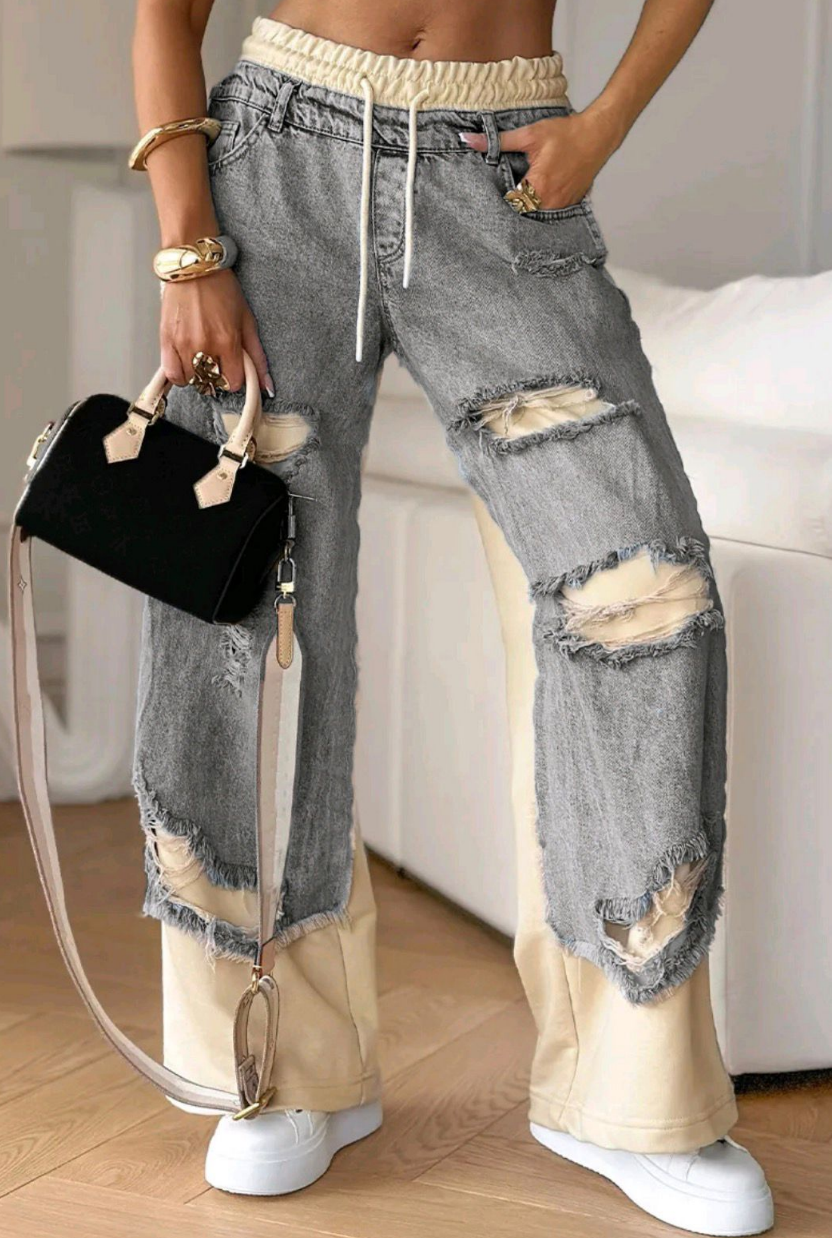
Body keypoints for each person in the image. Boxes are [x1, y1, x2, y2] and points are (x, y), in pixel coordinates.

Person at [130, 2, 774, 1232]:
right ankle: (283, 1060)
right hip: (281, 166)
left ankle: (629, 1092)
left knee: (640, 590)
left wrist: (604, 123)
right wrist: (188, 248)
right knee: (243, 606)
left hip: (505, 171)